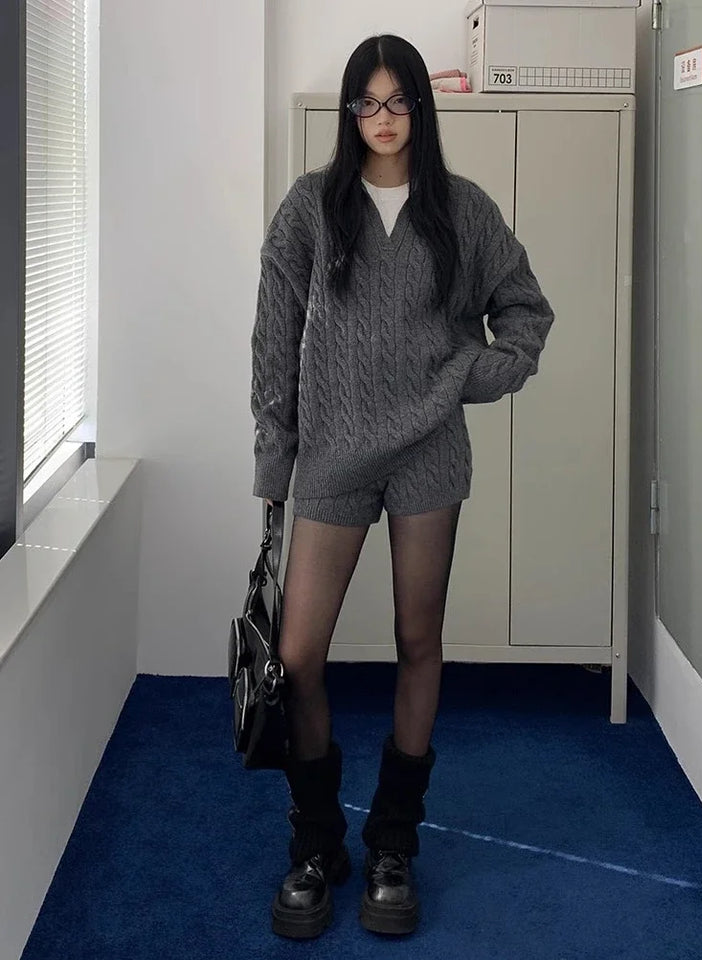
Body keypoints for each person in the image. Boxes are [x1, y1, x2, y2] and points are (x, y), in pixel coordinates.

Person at [250, 33, 554, 940]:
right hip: (331, 455)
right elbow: (274, 340)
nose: (381, 119)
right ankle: (316, 842)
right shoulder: (312, 207)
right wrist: (274, 464)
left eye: (397, 102)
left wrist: (471, 374)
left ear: (420, 107)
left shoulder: (463, 209)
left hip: (428, 454)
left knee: (418, 640)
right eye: (366, 103)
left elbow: (526, 312)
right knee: (299, 655)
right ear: (350, 113)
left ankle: (392, 843)